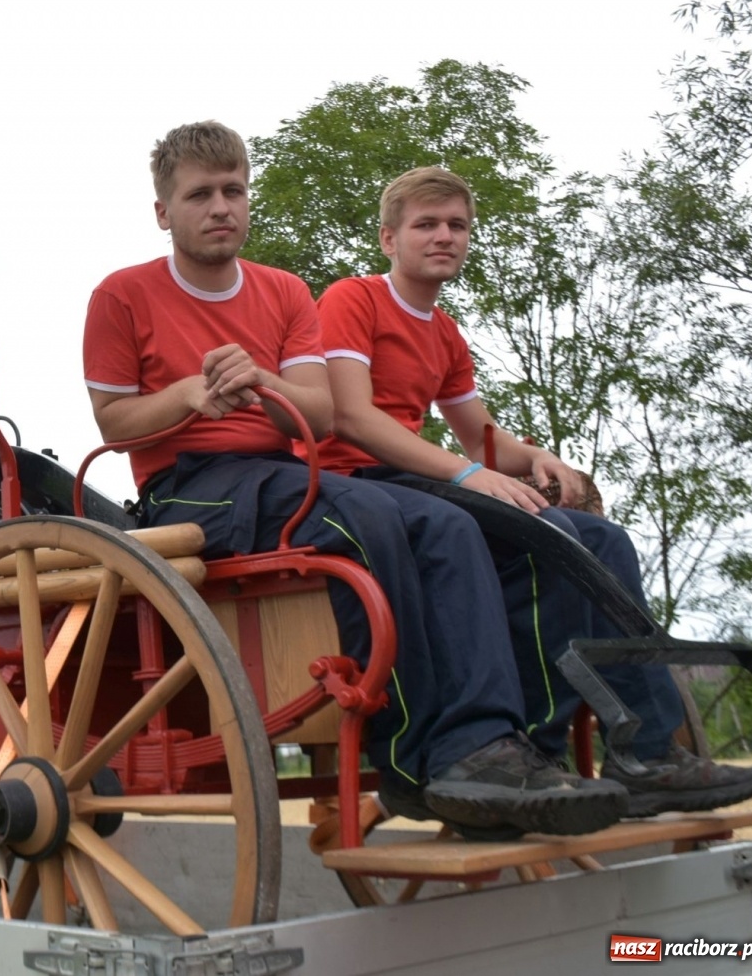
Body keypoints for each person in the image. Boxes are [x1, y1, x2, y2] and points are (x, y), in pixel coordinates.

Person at [82, 120, 627, 839]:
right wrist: (190, 392)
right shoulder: (122, 296)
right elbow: (115, 424)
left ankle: (488, 742)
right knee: (365, 516)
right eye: (200, 195)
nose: (221, 206)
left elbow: (318, 410)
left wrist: (264, 383)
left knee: (447, 521)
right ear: (164, 212)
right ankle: (409, 755)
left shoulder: (283, 292)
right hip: (190, 481)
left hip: (285, 467)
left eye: (234, 190)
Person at [313, 165, 752, 816]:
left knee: (603, 539)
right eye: (426, 224)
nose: (444, 236)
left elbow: (481, 438)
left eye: (457, 225)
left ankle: (647, 751)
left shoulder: (443, 333)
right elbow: (353, 417)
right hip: (362, 485)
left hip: (422, 478)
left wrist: (537, 457)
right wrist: (473, 475)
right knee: (544, 533)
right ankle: (523, 742)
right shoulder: (354, 300)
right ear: (390, 238)